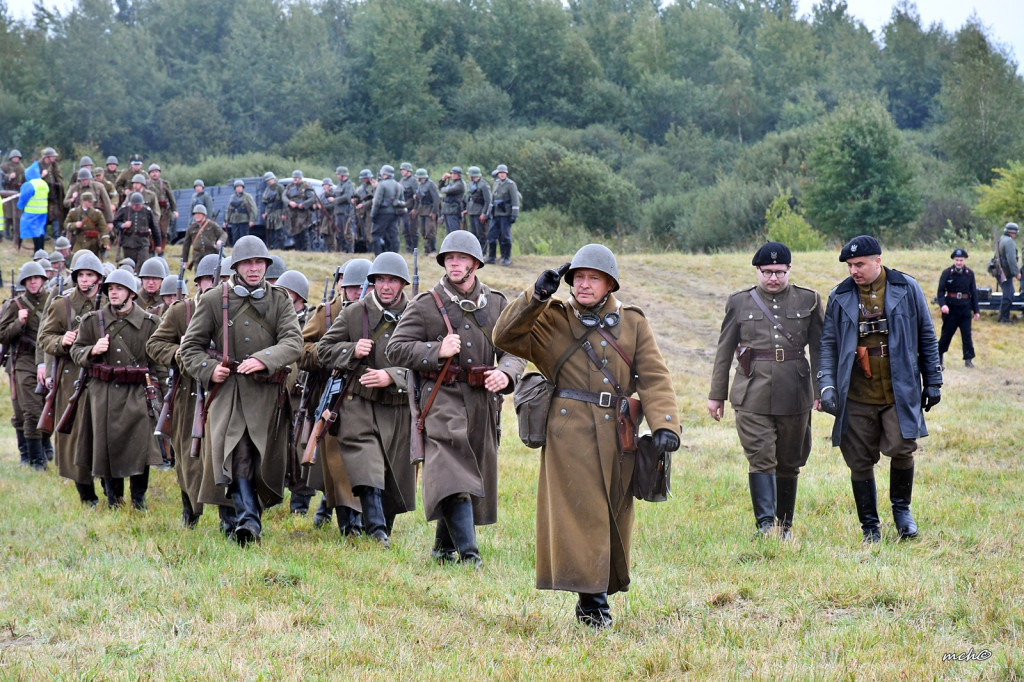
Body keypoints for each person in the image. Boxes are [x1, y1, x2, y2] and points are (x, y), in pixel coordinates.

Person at [492, 244, 680, 629]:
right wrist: (536, 296)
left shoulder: (633, 323)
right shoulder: (552, 319)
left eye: (593, 277)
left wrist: (665, 426)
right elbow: (505, 337)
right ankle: (594, 606)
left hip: (619, 432)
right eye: (578, 277)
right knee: (584, 514)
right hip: (569, 432)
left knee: (613, 512)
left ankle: (594, 595)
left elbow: (654, 376)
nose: (584, 284)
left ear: (610, 283)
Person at [386, 231, 527, 567]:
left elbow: (514, 350)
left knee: (470, 469)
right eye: (449, 258)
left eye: (462, 258)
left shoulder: (495, 304)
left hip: (482, 401)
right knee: (452, 470)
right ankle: (470, 555)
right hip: (440, 397)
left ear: (475, 264)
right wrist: (436, 350)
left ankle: (443, 548)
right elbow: (395, 349)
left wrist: (505, 372)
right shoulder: (425, 304)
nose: (455, 263)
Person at [818, 235, 942, 543]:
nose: (854, 271)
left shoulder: (906, 288)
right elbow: (828, 344)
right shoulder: (840, 295)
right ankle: (870, 527)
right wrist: (827, 385)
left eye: (859, 264)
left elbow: (926, 334)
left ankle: (902, 512)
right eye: (850, 265)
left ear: (878, 260)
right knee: (858, 459)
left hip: (899, 389)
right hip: (857, 393)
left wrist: (934, 380)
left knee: (903, 447)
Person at [178, 236, 302, 545]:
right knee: (237, 452)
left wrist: (263, 359)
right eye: (247, 263)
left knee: (262, 460)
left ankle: (240, 517)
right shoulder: (212, 300)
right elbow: (188, 349)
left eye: (259, 262)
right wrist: (209, 369)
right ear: (235, 266)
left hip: (267, 395)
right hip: (228, 391)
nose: (254, 268)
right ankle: (248, 521)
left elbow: (293, 342)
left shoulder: (280, 300)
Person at [707, 242, 823, 539]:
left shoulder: (808, 300)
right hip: (752, 392)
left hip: (795, 392)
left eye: (779, 272)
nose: (773, 278)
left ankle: (784, 526)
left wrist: (821, 390)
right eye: (767, 272)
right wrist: (716, 394)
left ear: (789, 270)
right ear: (757, 271)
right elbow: (724, 350)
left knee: (789, 462)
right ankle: (765, 526)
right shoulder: (739, 302)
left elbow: (820, 348)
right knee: (761, 457)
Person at [316, 252, 417, 547]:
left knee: (394, 473)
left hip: (398, 408)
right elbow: (323, 350)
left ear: (402, 284)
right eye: (380, 280)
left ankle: (383, 527)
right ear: (372, 282)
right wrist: (350, 350)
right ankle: (375, 530)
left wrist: (392, 376)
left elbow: (429, 361)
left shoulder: (417, 313)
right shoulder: (354, 313)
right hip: (357, 403)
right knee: (366, 464)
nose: (386, 286)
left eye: (393, 280)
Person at [70, 269, 163, 509]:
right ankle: (114, 499)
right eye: (110, 289)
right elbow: (75, 351)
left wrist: (159, 394)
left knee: (139, 448)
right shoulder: (93, 321)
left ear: (131, 293)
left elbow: (159, 363)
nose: (113, 293)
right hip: (104, 392)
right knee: (106, 448)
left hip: (137, 391)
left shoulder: (150, 323)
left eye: (119, 289)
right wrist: (92, 350)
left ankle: (138, 499)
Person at [298, 259, 371, 533]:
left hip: (370, 395)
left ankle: (366, 519)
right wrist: (336, 354)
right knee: (337, 461)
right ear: (342, 287)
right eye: (352, 288)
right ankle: (347, 522)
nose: (357, 293)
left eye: (363, 287)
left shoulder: (378, 313)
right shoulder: (326, 314)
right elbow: (301, 349)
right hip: (334, 396)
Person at [37, 252, 106, 504]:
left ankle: (110, 487)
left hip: (101, 376)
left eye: (90, 275)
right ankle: (86, 494)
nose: (85, 280)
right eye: (81, 275)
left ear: (99, 277)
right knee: (75, 435)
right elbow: (44, 338)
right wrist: (61, 340)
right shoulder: (61, 304)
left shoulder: (109, 301)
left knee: (101, 431)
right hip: (71, 376)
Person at [0, 262, 51, 469]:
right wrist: (18, 324)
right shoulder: (16, 305)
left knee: (48, 408)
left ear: (43, 280)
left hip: (48, 361)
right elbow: (2, 335)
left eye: (36, 278)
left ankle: (45, 450)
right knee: (30, 410)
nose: (33, 282)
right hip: (23, 362)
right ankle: (35, 460)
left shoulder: (52, 302)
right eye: (29, 279)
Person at [937, 248, 979, 368]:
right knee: (946, 334)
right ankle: (938, 357)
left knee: (967, 335)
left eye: (961, 260)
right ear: (953, 260)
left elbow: (973, 292)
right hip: (951, 308)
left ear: (964, 260)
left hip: (965, 307)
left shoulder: (970, 274)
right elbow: (940, 292)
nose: (959, 263)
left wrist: (976, 311)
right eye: (957, 260)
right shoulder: (947, 273)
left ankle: (968, 359)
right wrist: (943, 305)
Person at [112, 192, 162, 264]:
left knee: (142, 263)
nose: (137, 207)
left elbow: (155, 228)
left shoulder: (147, 211)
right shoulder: (124, 210)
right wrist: (123, 225)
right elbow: (115, 222)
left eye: (139, 205)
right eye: (135, 205)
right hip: (128, 243)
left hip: (143, 243)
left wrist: (158, 244)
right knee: (129, 264)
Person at [487, 164, 519, 266]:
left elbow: (515, 200)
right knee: (491, 235)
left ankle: (506, 258)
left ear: (506, 174)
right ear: (497, 174)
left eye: (503, 173)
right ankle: (492, 257)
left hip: (506, 214)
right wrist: (489, 212)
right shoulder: (496, 183)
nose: (502, 175)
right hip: (495, 214)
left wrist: (514, 214)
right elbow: (492, 199)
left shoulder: (511, 184)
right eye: (500, 173)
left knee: (505, 237)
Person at [63, 191, 111, 257]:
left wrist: (106, 242)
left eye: (92, 201)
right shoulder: (74, 212)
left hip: (93, 243)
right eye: (89, 201)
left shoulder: (97, 213)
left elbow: (103, 229)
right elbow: (66, 225)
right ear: (83, 201)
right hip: (78, 241)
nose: (91, 203)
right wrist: (75, 225)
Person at [370, 164, 402, 255]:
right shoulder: (398, 185)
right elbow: (402, 201)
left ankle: (378, 256)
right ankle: (395, 255)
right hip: (394, 214)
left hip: (382, 214)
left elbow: (377, 202)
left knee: (375, 234)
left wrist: (373, 214)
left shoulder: (382, 184)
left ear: (384, 174)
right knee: (393, 236)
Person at [17, 161, 49, 252]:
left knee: (33, 232)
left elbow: (23, 197)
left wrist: (20, 206)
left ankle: (36, 251)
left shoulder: (30, 184)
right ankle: (41, 250)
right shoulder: (43, 183)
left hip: (32, 212)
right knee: (40, 231)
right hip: (43, 212)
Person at [181, 205, 225, 271]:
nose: (197, 216)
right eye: (195, 214)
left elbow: (223, 234)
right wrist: (185, 260)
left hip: (210, 253)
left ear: (204, 215)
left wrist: (220, 240)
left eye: (199, 214)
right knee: (199, 275)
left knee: (212, 274)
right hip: (197, 256)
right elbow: (186, 245)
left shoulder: (212, 224)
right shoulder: (191, 228)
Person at [284, 170, 316, 251]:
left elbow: (312, 198)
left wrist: (304, 204)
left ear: (300, 178)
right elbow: (284, 197)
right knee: (294, 233)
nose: (295, 179)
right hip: (292, 214)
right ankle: (298, 249)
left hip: (303, 214)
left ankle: (305, 250)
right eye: (294, 178)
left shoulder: (306, 187)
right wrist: (289, 202)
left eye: (297, 178)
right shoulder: (289, 187)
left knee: (303, 234)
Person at [38, 147, 66, 239]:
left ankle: (57, 236)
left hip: (53, 196)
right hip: (42, 197)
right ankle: (43, 233)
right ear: (47, 157)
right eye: (52, 156)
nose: (54, 158)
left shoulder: (55, 166)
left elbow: (59, 178)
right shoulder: (39, 166)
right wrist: (42, 177)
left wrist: (58, 184)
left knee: (56, 215)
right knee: (43, 215)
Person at [147, 164, 178, 247]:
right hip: (151, 211)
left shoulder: (165, 184)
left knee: (163, 232)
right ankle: (152, 248)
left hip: (163, 211)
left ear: (159, 173)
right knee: (151, 230)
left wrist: (174, 210)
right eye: (152, 172)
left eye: (156, 172)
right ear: (149, 173)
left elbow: (171, 198)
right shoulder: (146, 184)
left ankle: (161, 249)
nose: (154, 174)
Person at [995, 222, 1020, 323]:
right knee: (1008, 294)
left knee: (1008, 292)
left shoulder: (1001, 239)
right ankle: (1004, 318)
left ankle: (1002, 316)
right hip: (1004, 272)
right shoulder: (1009, 241)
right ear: (1013, 232)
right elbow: (1011, 259)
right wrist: (1016, 272)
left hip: (1000, 271)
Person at [412, 168, 440, 254]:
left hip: (429, 210)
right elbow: (418, 198)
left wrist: (434, 212)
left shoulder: (430, 184)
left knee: (430, 231)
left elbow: (436, 199)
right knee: (423, 231)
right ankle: (426, 250)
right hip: (422, 210)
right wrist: (415, 208)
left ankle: (433, 250)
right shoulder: (420, 185)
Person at [464, 166, 491, 251]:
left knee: (481, 233)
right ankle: (474, 252)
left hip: (479, 213)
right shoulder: (471, 184)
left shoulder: (484, 185)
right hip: (472, 212)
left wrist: (484, 213)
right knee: (474, 233)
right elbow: (470, 199)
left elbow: (488, 201)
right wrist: (467, 210)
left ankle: (483, 252)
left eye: (469, 175)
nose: (468, 176)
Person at [2, 149, 25, 243]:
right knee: (8, 213)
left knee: (17, 213)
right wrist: (8, 177)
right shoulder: (6, 166)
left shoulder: (22, 168)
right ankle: (6, 232)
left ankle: (15, 233)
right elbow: (2, 176)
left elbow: (24, 178)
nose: (16, 159)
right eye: (14, 157)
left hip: (18, 191)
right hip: (7, 191)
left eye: (17, 157)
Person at [225, 179, 257, 246]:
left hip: (244, 220)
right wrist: (226, 220)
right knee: (235, 237)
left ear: (242, 187)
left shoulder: (247, 196)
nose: (239, 188)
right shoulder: (233, 197)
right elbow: (229, 209)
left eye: (240, 187)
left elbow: (253, 208)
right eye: (237, 187)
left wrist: (252, 220)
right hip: (234, 220)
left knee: (244, 237)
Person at [332, 167, 356, 253]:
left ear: (342, 175)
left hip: (346, 213)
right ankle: (341, 250)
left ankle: (350, 251)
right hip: (338, 212)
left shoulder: (349, 185)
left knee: (347, 233)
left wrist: (335, 200)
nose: (337, 176)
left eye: (338, 174)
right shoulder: (339, 185)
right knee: (339, 233)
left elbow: (347, 197)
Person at [438, 166, 465, 238]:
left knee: (454, 232)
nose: (452, 175)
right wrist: (443, 179)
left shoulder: (460, 184)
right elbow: (440, 187)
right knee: (449, 233)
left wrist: (444, 188)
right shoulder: (452, 182)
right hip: (447, 210)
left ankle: (457, 248)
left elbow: (446, 190)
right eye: (452, 173)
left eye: (455, 173)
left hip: (454, 210)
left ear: (459, 175)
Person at [261, 172, 285, 249]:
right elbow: (265, 202)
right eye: (267, 180)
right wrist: (265, 213)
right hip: (270, 213)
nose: (269, 181)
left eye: (270, 179)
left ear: (273, 178)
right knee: (271, 232)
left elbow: (284, 201)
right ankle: (273, 247)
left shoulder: (280, 188)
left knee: (278, 232)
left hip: (278, 212)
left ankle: (280, 248)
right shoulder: (267, 190)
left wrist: (283, 213)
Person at [398, 162, 417, 252]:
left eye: (403, 169)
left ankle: (414, 249)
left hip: (411, 208)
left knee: (412, 230)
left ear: (408, 170)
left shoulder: (413, 181)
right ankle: (408, 248)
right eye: (401, 170)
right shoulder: (402, 181)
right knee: (404, 230)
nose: (402, 171)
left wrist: (415, 209)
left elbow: (416, 196)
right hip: (403, 208)